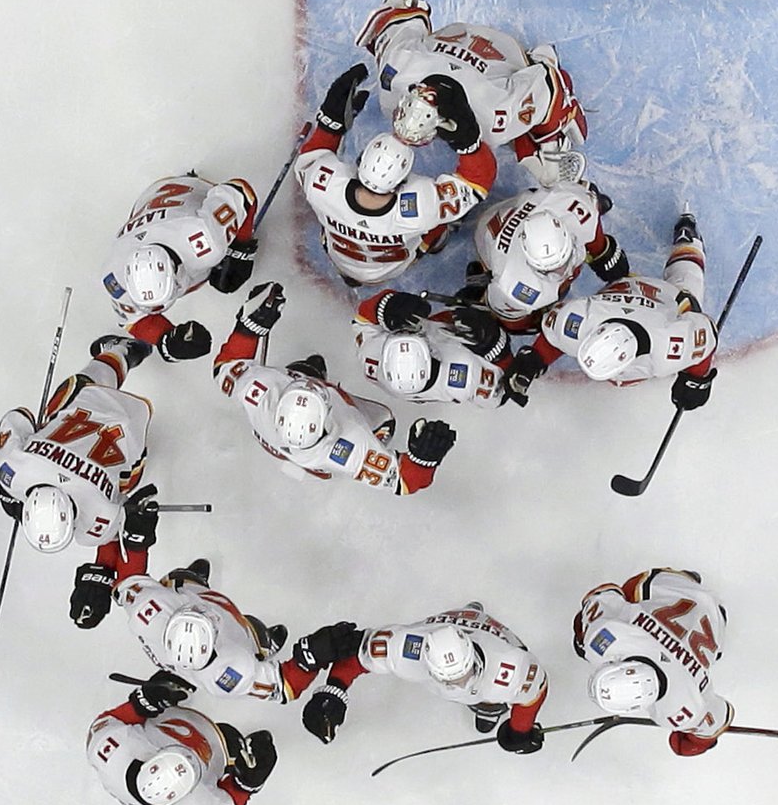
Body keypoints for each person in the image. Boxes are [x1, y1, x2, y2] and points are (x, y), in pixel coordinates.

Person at [213, 282, 458, 494]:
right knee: (384, 420)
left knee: (305, 368)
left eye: (300, 384)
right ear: (327, 419)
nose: (309, 383)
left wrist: (251, 326)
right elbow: (405, 482)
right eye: (315, 387)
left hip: (280, 444)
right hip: (322, 457)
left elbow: (226, 365)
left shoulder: (257, 393)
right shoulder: (351, 448)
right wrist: (424, 459)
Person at [356, 0, 587, 185]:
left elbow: (550, 81)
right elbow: (400, 14)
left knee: (543, 136)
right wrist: (410, 9)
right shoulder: (396, 71)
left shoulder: (493, 118)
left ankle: (538, 61)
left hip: (506, 51)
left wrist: (548, 144)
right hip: (461, 37)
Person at [0, 336, 161, 628]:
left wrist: (101, 579)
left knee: (127, 483)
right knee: (70, 396)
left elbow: (120, 538)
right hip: (88, 402)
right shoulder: (13, 467)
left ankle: (119, 354)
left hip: (133, 425)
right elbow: (18, 416)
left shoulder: (99, 519)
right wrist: (9, 493)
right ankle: (119, 352)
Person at [294, 63, 496, 285]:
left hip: (340, 255)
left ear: (360, 163)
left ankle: (351, 270)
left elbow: (311, 156)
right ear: (402, 182)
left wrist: (330, 123)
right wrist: (467, 139)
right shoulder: (422, 206)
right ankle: (438, 239)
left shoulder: (322, 187)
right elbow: (478, 180)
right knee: (442, 218)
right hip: (392, 266)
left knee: (439, 212)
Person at [502, 212, 717, 408]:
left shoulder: (669, 346)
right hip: (623, 290)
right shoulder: (579, 322)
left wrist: (697, 379)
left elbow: (705, 332)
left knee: (688, 286)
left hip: (667, 298)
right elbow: (554, 337)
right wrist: (532, 361)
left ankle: (689, 240)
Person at [302, 602, 548, 754]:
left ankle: (487, 710)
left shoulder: (513, 666)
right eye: (450, 681)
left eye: (465, 675)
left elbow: (534, 691)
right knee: (478, 694)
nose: (461, 683)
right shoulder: (402, 647)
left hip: (492, 634)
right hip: (443, 622)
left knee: (490, 698)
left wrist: (519, 730)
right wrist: (333, 692)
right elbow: (356, 656)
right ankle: (470, 612)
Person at [114, 556, 362, 704]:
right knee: (255, 636)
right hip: (232, 641)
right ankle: (264, 649)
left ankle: (194, 582)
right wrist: (310, 658)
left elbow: (127, 581)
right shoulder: (232, 671)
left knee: (177, 580)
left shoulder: (146, 610)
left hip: (173, 651)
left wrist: (137, 530)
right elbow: (285, 687)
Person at [85, 671, 277, 805]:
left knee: (173, 680)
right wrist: (248, 784)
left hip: (165, 724)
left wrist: (143, 702)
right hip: (213, 757)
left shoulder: (110, 751)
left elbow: (111, 719)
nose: (190, 755)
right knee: (237, 747)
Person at [573, 567, 733, 756]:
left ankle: (688, 582)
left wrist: (695, 741)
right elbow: (604, 592)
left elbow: (720, 718)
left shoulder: (683, 709)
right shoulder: (605, 639)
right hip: (671, 586)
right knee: (626, 597)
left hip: (717, 619)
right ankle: (686, 580)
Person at [100, 171, 259, 361]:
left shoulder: (206, 240)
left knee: (228, 277)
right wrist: (166, 340)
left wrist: (241, 248)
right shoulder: (115, 277)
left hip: (196, 191)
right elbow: (134, 319)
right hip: (151, 199)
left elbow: (241, 192)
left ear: (175, 273)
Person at [471, 182, 630, 330]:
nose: (562, 272)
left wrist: (603, 252)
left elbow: (591, 227)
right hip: (488, 238)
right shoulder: (510, 286)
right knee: (521, 321)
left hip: (523, 208)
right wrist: (539, 320)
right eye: (551, 270)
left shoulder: (576, 207)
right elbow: (514, 323)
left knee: (586, 204)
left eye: (563, 263)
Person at [352, 289, 512, 407]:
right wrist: (493, 342)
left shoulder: (371, 358)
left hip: (443, 331)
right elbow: (504, 392)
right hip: (466, 341)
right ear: (431, 354)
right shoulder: (463, 380)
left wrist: (385, 306)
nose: (407, 331)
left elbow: (362, 321)